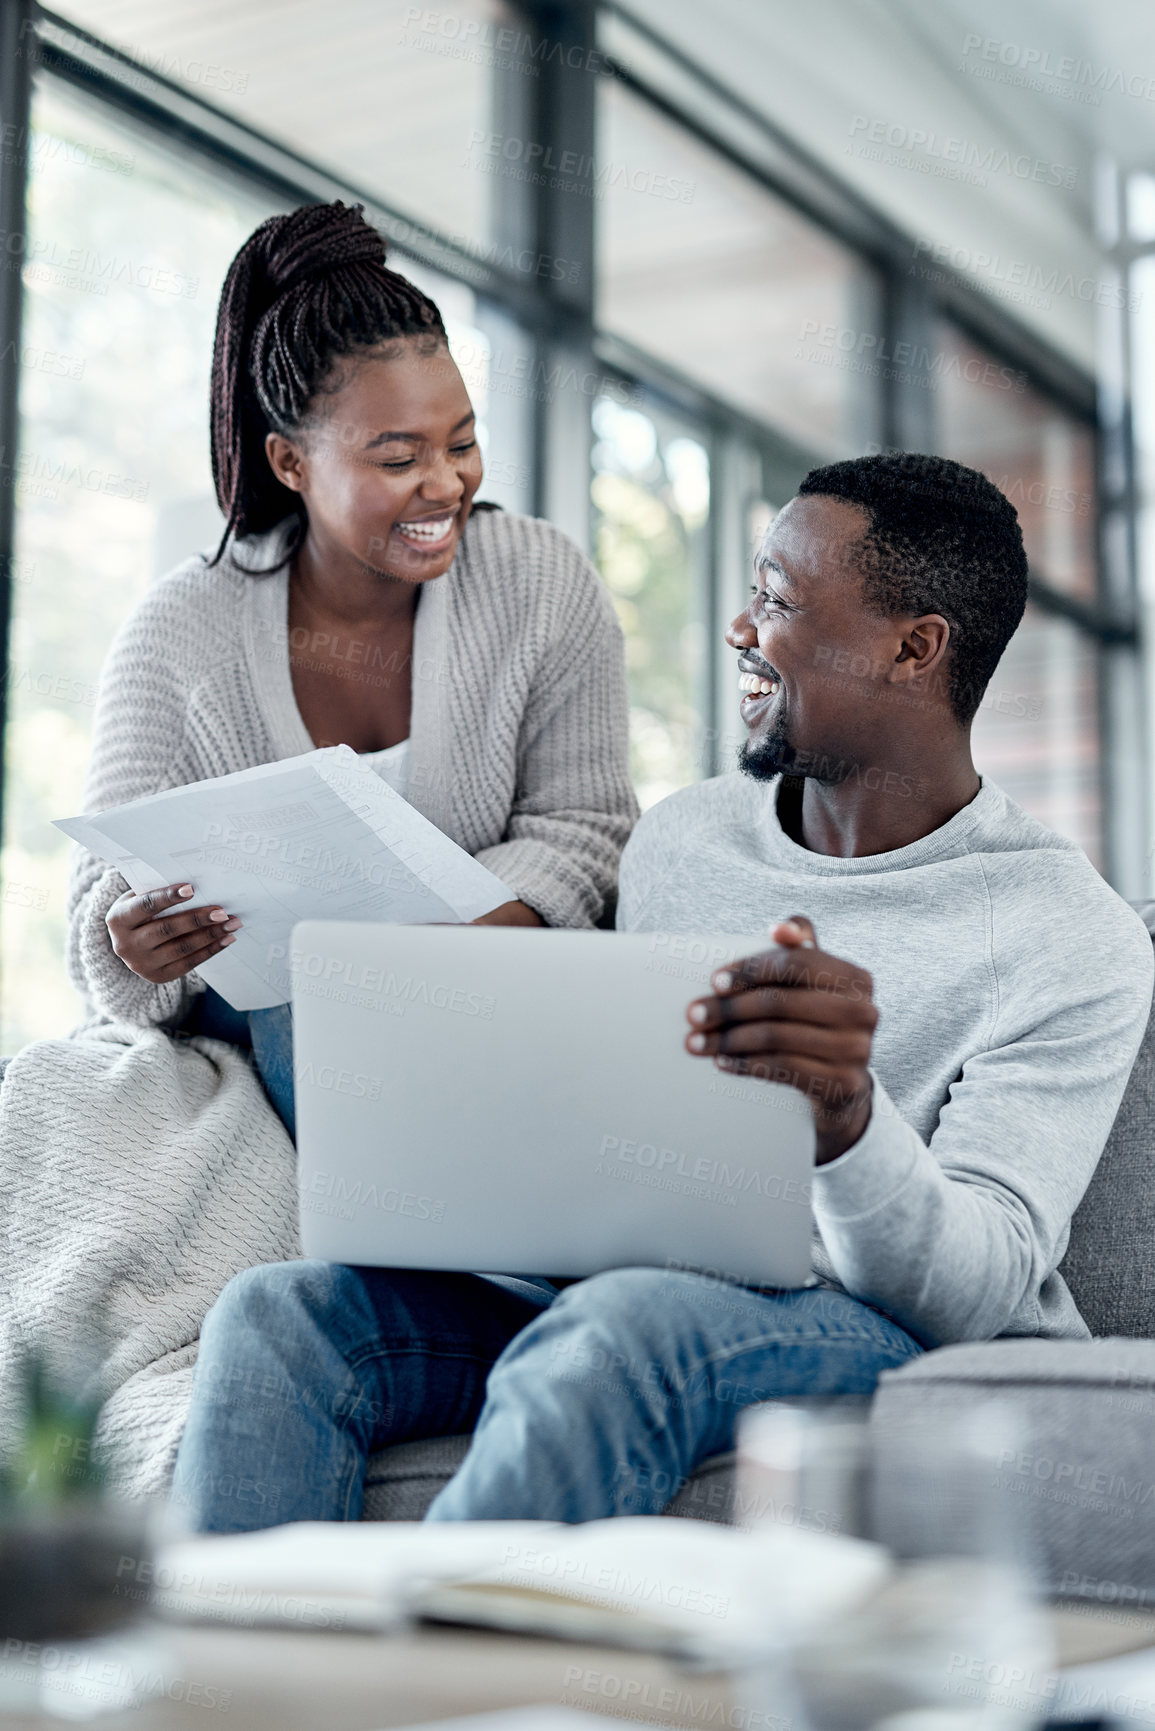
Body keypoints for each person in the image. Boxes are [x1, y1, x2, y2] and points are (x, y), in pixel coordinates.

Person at [171, 451, 1153, 1534]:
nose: (742, 630)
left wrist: (846, 1122)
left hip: (868, 1321)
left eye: (777, 602)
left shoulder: (1070, 933)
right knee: (279, 1315)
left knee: (631, 1327)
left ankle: (453, 1696)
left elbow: (978, 1294)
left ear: (913, 649)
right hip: (616, 1282)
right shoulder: (687, 839)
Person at [67, 201, 636, 1132]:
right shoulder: (181, 630)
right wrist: (137, 937)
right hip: (257, 1037)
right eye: (398, 456)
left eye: (461, 442)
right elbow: (107, 892)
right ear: (290, 462)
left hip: (486, 1010)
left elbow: (587, 830)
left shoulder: (542, 585)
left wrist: (422, 956)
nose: (446, 484)